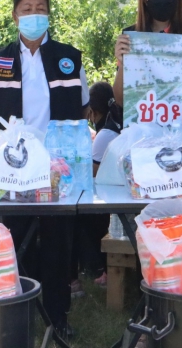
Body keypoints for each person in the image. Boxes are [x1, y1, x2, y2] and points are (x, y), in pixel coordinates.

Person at [0, 0, 90, 338]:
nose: (34, 15)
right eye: (26, 9)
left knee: (58, 243)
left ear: (49, 15)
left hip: (57, 169)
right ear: (15, 16)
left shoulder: (68, 58)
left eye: (40, 8)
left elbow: (84, 109)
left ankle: (57, 317)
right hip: (15, 169)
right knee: (16, 238)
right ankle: (20, 314)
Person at [71, 81, 123, 294]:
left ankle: (99, 268)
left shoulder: (104, 135)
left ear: (91, 111)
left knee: (79, 218)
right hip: (117, 193)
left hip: (108, 198)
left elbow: (90, 173)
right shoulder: (115, 125)